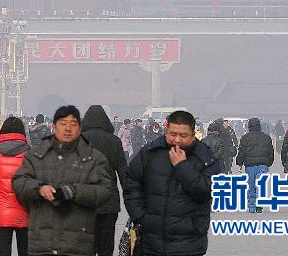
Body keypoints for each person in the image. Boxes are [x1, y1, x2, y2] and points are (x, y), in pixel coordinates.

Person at [12, 105, 112, 256]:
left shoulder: (93, 158)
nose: (68, 129)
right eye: (63, 123)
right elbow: (19, 182)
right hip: (42, 241)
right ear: (54, 127)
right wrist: (38, 188)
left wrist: (74, 192)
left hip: (78, 242)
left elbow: (105, 190)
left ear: (80, 128)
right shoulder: (36, 155)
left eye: (73, 124)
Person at [123, 110, 222, 256]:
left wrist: (182, 166)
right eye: (173, 134)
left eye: (183, 135)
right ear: (166, 130)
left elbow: (208, 189)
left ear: (193, 134)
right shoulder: (150, 152)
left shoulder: (205, 157)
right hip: (151, 239)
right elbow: (131, 182)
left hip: (189, 240)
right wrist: (139, 215)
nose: (177, 140)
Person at [81, 105, 127, 256]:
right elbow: (123, 173)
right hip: (109, 201)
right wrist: (132, 198)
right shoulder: (114, 141)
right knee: (106, 245)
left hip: (84, 201)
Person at [0, 116, 29, 256]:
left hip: (1, 210)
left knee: (2, 252)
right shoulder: (30, 153)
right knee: (25, 251)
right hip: (26, 211)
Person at [235, 118, 275, 213]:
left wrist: (239, 162)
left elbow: (242, 151)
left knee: (251, 185)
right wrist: (269, 162)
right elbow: (271, 152)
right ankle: (259, 204)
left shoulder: (245, 138)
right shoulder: (266, 137)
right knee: (260, 185)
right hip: (263, 164)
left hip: (250, 165)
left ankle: (252, 206)